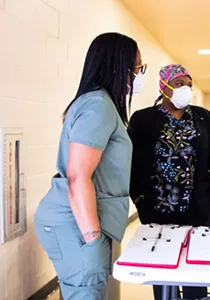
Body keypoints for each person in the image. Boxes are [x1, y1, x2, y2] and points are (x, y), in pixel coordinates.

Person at [34, 33, 145, 300]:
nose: (139, 75)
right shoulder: (98, 106)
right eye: (137, 68)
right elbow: (77, 176)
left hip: (78, 220)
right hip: (77, 224)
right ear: (119, 66)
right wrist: (92, 238)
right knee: (86, 293)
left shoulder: (96, 102)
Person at [128, 64, 210, 300]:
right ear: (165, 86)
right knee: (162, 271)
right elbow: (131, 162)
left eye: (189, 85)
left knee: (195, 271)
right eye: (180, 84)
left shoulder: (203, 117)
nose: (186, 90)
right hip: (157, 209)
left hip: (198, 208)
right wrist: (139, 198)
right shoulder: (142, 119)